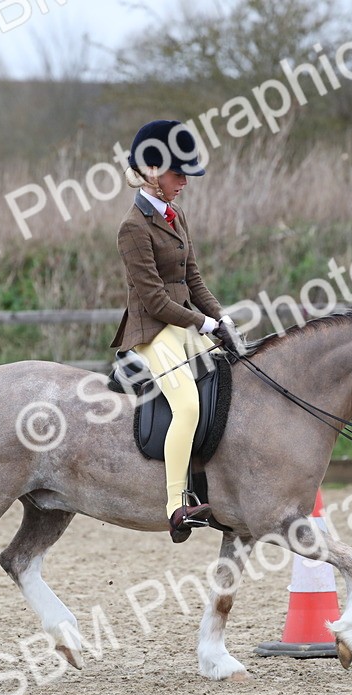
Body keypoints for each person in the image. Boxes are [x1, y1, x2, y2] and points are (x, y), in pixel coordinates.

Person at [109, 119, 241, 542]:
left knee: (236, 374)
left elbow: (193, 279)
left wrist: (221, 318)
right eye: (176, 173)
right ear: (151, 172)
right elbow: (153, 299)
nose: (184, 181)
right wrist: (202, 323)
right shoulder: (132, 228)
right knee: (185, 406)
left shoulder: (175, 214)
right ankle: (176, 505)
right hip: (153, 331)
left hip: (184, 323)